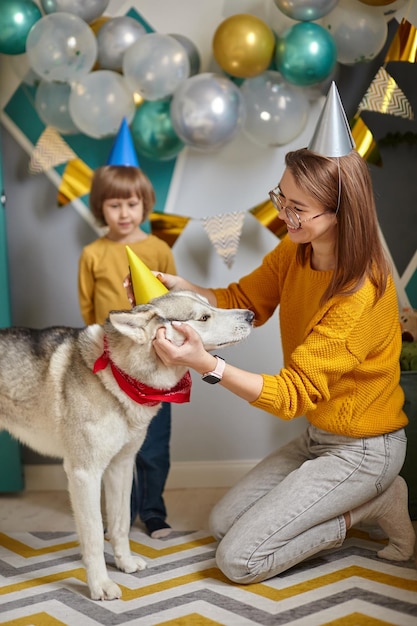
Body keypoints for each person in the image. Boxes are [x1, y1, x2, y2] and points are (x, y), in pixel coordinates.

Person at [131, 83, 415, 582]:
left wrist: (208, 365)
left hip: (366, 448)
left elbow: (290, 395)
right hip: (318, 436)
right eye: (280, 196)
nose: (284, 213)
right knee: (222, 523)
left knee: (240, 560)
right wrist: (185, 290)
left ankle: (369, 506)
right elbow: (245, 301)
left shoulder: (359, 295)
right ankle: (351, 501)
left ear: (340, 213)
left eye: (297, 208)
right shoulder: (297, 250)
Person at [78, 158, 176, 539]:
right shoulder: (92, 255)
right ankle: (121, 514)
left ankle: (153, 512)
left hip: (156, 366)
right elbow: (87, 310)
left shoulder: (159, 249)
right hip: (108, 367)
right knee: (111, 442)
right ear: (101, 207)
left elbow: (174, 305)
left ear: (144, 205)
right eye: (114, 204)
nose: (124, 212)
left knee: (152, 445)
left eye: (132, 204)